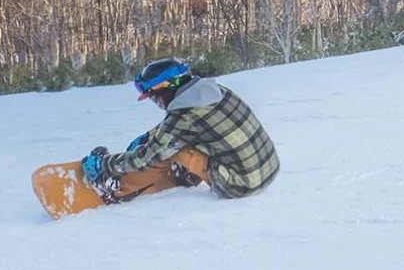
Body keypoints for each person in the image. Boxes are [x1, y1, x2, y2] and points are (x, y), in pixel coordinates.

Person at [80, 58, 280, 203]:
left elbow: (148, 156)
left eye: (154, 96)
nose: (156, 102)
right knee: (175, 141)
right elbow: (184, 128)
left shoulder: (183, 115)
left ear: (166, 88)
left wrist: (105, 165)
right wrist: (151, 136)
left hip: (241, 184)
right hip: (266, 168)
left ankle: (117, 189)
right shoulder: (213, 92)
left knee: (172, 149)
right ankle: (185, 173)